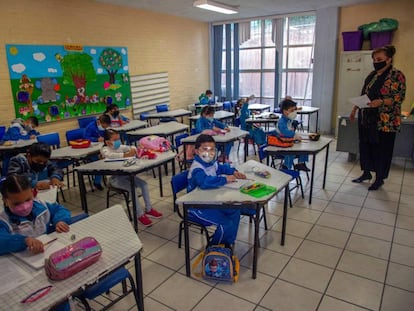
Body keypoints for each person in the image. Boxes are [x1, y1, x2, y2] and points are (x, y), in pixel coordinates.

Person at [350, 45, 406, 191]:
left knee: (382, 150)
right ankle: (366, 172)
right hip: (368, 118)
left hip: (385, 121)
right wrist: (355, 108)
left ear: (389, 59)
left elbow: (398, 98)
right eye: (374, 59)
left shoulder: (396, 75)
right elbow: (364, 94)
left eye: (379, 59)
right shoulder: (372, 75)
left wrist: (381, 102)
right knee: (365, 145)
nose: (376, 62)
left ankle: (379, 178)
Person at [187, 134, 247, 247]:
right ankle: (214, 248)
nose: (209, 153)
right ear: (196, 151)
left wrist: (233, 172)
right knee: (226, 223)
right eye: (205, 149)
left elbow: (221, 168)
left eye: (212, 149)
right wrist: (224, 179)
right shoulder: (197, 168)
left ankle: (227, 242)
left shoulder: (211, 162)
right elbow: (204, 182)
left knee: (235, 210)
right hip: (197, 206)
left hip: (211, 201)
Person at [101, 129, 163, 226]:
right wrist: (127, 154)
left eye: (119, 138)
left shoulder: (120, 146)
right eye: (115, 139)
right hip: (115, 179)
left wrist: (133, 149)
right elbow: (112, 155)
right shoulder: (105, 150)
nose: (118, 141)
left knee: (144, 184)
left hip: (127, 175)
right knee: (132, 189)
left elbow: (132, 147)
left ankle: (149, 209)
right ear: (107, 141)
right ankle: (140, 215)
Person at [0, 175, 70, 255]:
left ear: (32, 193)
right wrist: (24, 241)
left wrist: (59, 220)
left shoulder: (42, 206)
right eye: (17, 204)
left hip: (47, 250)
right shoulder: (3, 220)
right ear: (5, 200)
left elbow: (59, 209)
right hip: (22, 259)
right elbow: (1, 241)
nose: (24, 206)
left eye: (28, 199)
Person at [275, 99, 310, 171]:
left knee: (304, 148)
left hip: (288, 141)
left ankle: (300, 163)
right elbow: (285, 132)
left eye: (294, 110)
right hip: (281, 143)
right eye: (292, 111)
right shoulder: (281, 121)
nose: (294, 112)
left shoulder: (289, 120)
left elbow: (290, 130)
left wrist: (295, 135)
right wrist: (294, 135)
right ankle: (286, 167)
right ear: (285, 111)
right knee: (290, 152)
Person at [84, 114, 111, 190]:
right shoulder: (91, 127)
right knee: (99, 162)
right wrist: (96, 139)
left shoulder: (103, 127)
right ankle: (97, 182)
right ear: (100, 122)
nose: (105, 128)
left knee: (111, 157)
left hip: (101, 148)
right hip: (90, 151)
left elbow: (106, 135)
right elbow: (86, 138)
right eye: (104, 126)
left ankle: (112, 180)